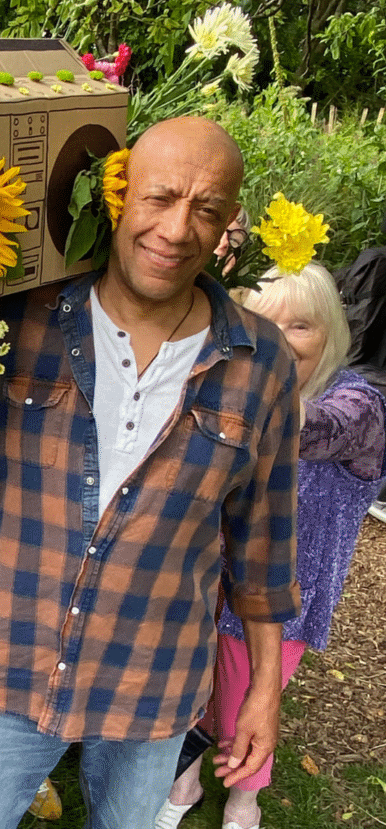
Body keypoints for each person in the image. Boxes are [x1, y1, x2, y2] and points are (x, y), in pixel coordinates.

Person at [0, 116, 302, 828]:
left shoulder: (261, 365)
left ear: (230, 223)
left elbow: (263, 549)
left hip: (154, 680)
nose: (176, 229)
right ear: (119, 199)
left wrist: (263, 691)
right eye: (160, 198)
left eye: (206, 209)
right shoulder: (19, 320)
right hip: (3, 664)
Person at [157, 262, 386, 829]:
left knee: (245, 709)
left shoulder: (360, 407)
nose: (281, 342)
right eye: (265, 324)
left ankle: (243, 799)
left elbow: (310, 429)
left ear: (332, 330)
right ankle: (183, 781)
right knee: (190, 689)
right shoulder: (234, 388)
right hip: (205, 584)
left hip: (283, 602)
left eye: (301, 326)